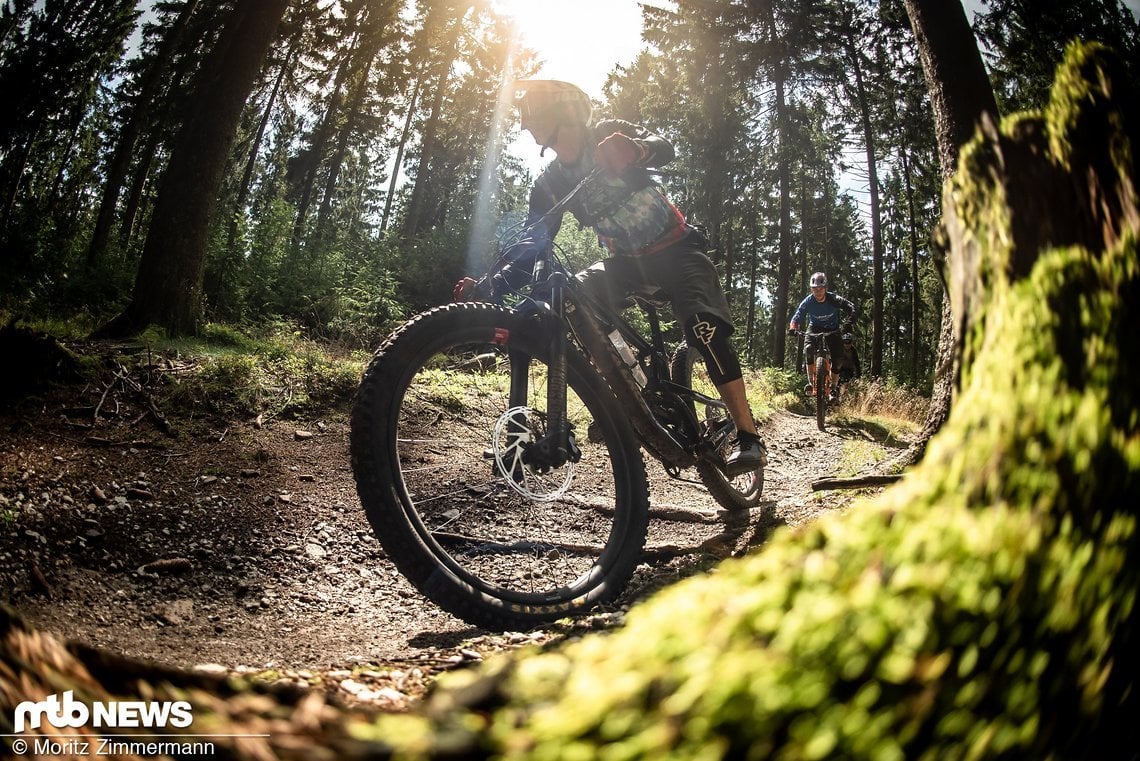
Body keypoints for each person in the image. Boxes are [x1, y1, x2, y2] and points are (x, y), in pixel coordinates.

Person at [454, 79, 765, 477]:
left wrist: (636, 150)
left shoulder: (606, 133)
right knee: (568, 295)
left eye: (533, 109)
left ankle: (747, 435)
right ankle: (628, 390)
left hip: (678, 250)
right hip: (628, 264)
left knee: (702, 326)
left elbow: (664, 147)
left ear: (564, 111)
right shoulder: (549, 183)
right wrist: (488, 286)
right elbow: (532, 244)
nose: (525, 120)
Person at [788, 272, 860, 401]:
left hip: (833, 329)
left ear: (826, 288)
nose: (818, 292)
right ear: (811, 289)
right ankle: (810, 383)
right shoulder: (808, 301)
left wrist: (850, 322)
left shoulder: (833, 299)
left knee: (838, 358)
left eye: (821, 288)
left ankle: (833, 387)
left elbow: (851, 307)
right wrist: (793, 327)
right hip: (814, 327)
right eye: (815, 289)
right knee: (809, 349)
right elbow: (797, 316)